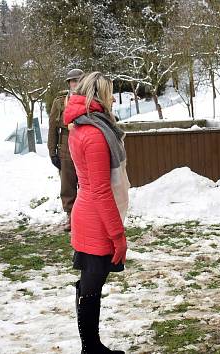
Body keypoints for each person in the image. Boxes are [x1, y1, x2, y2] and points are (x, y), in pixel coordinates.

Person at [64, 72, 130, 353]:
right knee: (92, 284)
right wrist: (118, 235)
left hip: (89, 212)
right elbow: (101, 190)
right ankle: (91, 347)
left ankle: (90, 345)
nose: (113, 98)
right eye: (109, 92)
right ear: (99, 95)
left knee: (90, 282)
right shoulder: (93, 134)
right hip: (96, 218)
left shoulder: (82, 127)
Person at [48, 68, 83, 231]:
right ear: (69, 83)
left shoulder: (90, 100)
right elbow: (52, 128)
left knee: (86, 184)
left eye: (78, 80)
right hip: (66, 146)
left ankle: (85, 217)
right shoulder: (60, 101)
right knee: (67, 185)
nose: (75, 84)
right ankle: (71, 216)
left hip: (85, 144)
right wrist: (52, 152)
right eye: (72, 81)